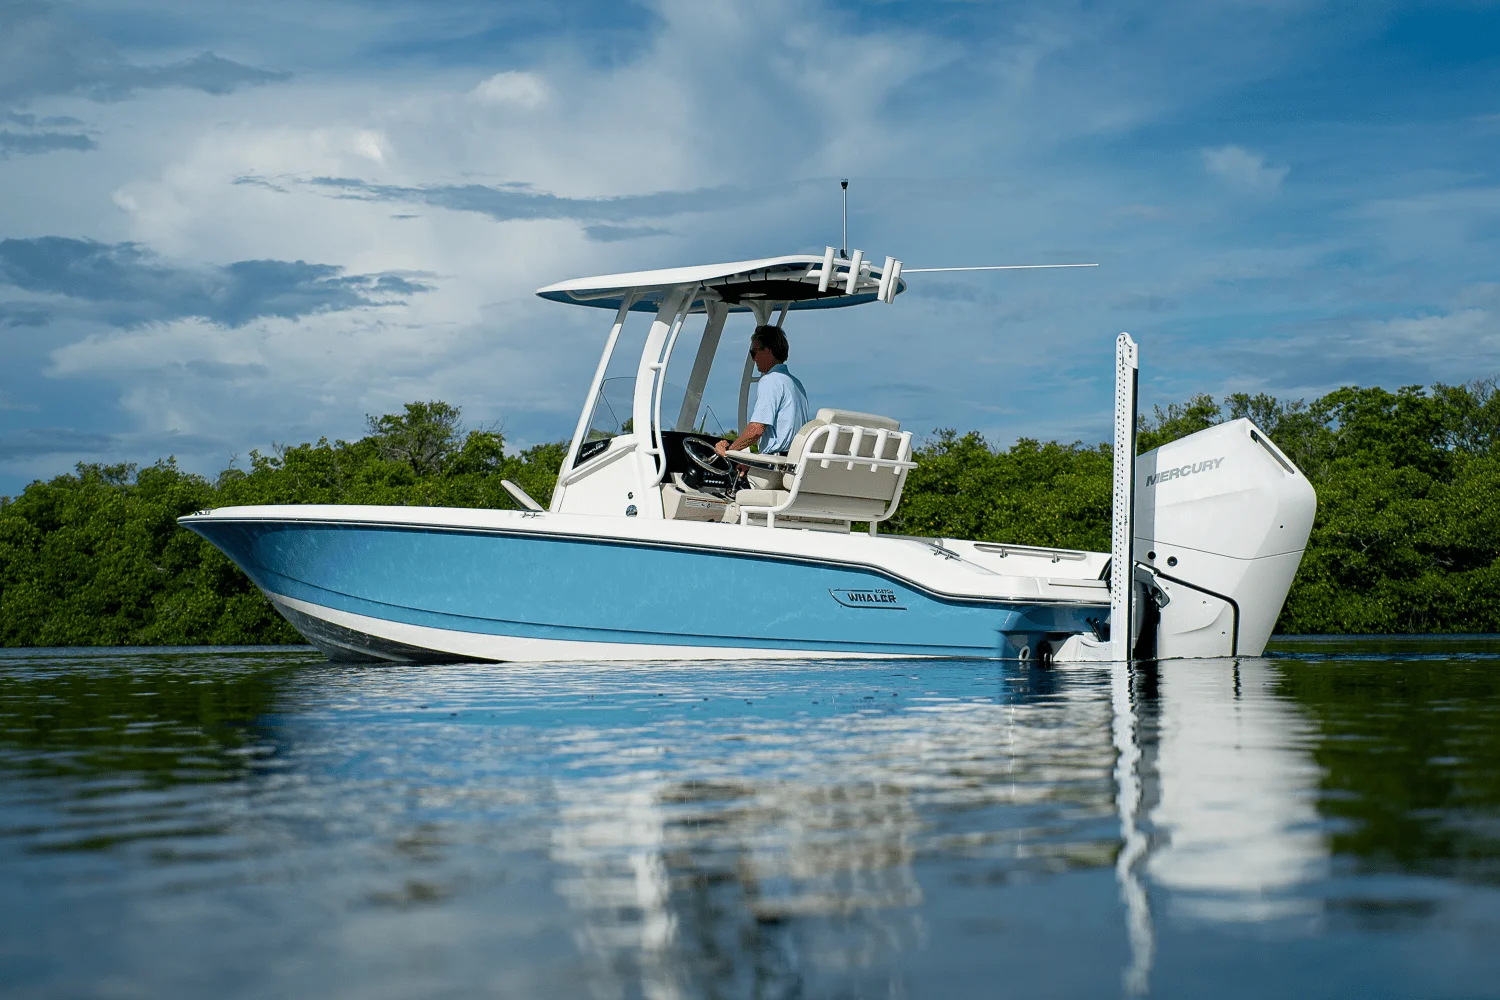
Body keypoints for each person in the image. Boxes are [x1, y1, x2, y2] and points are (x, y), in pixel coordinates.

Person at [715, 325, 811, 460]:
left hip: (774, 464)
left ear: (767, 351)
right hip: (793, 461)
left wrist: (729, 452)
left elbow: (757, 429)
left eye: (753, 353)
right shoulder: (796, 384)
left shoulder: (770, 380)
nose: (753, 359)